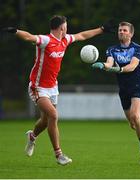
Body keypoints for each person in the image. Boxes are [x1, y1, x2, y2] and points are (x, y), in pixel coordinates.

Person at [3, 15, 113, 165]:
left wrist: (101, 30)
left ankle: (32, 137)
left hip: (53, 87)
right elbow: (30, 37)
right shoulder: (46, 40)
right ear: (62, 27)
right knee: (53, 116)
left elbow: (82, 35)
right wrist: (15, 31)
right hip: (38, 87)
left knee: (45, 120)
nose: (67, 28)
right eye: (66, 25)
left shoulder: (65, 39)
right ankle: (59, 155)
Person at [92, 21, 140, 164]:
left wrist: (119, 69)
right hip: (124, 89)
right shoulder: (112, 49)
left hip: (138, 86)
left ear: (131, 33)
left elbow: (132, 66)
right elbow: (110, 63)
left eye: (124, 30)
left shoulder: (138, 49)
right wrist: (102, 65)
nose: (121, 32)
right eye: (119, 30)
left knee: (136, 115)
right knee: (134, 124)